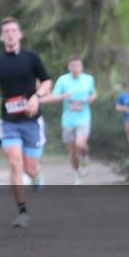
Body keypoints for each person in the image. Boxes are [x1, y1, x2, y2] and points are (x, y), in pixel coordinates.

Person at [0, 17, 52, 228]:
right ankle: (22, 211)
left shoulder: (31, 58)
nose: (10, 34)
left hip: (31, 121)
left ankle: (36, 177)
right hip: (9, 121)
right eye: (6, 31)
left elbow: (47, 81)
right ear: (2, 36)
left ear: (20, 34)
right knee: (14, 162)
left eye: (13, 30)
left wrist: (36, 97)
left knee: (30, 168)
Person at [48, 56, 97, 184]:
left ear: (82, 67)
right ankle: (77, 174)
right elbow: (53, 96)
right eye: (73, 66)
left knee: (80, 144)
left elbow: (94, 93)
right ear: (69, 67)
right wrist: (64, 96)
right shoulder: (63, 80)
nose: (75, 68)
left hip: (84, 117)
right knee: (72, 151)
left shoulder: (88, 79)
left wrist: (91, 98)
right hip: (68, 120)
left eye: (78, 66)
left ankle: (85, 157)